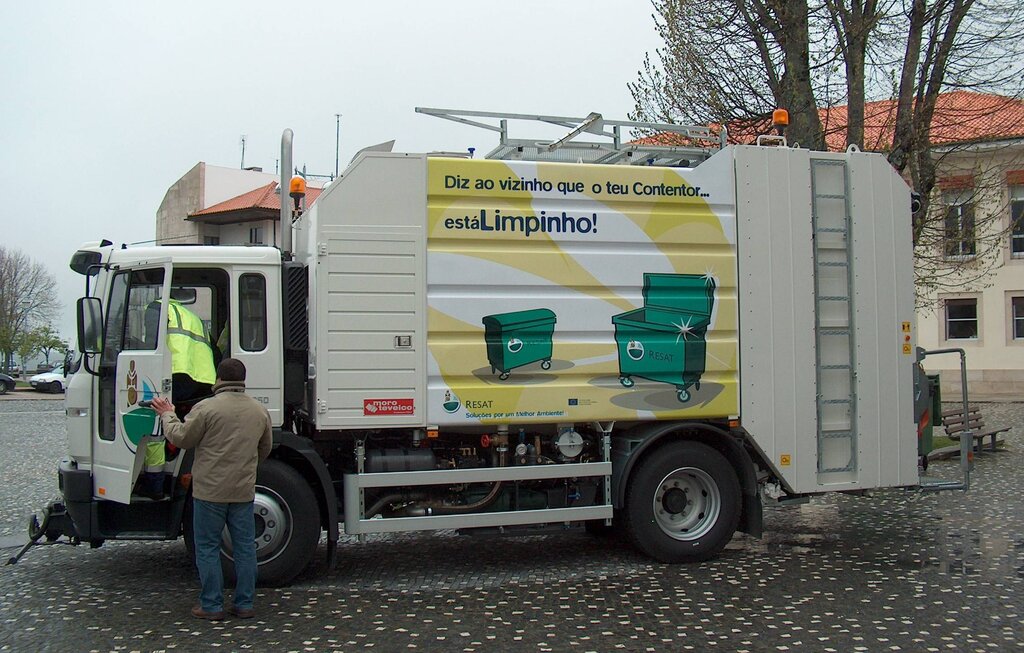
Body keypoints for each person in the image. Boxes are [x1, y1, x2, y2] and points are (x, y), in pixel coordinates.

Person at [151, 358, 272, 621]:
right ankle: (245, 604)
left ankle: (212, 605)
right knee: (245, 548)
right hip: (242, 490)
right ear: (243, 380)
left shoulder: (205, 408)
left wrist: (167, 414)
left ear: (218, 379)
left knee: (207, 547)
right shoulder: (259, 411)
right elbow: (264, 449)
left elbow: (182, 438)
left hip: (209, 492)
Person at [138, 292, 216, 500]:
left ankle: (155, 485)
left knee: (154, 419)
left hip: (177, 374)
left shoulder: (157, 308)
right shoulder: (191, 316)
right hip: (203, 378)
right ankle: (173, 447)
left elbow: (150, 346)